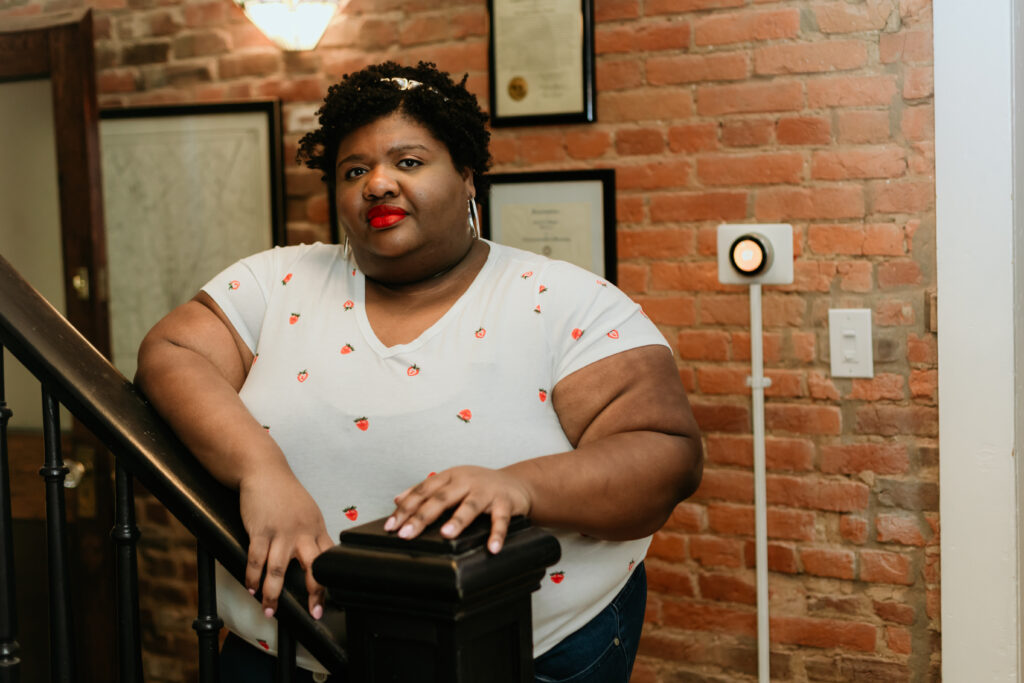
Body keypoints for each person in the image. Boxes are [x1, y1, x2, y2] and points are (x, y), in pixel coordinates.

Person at [136, 61, 702, 683]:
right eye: (355, 171)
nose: (378, 184)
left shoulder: (563, 300)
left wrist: (520, 486)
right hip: (286, 649)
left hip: (520, 654)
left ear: (466, 177)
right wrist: (261, 470)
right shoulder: (278, 281)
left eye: (408, 163)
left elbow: (664, 455)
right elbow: (171, 354)